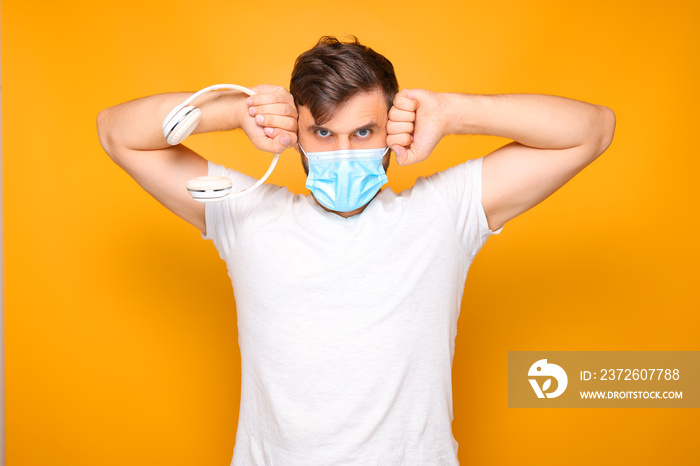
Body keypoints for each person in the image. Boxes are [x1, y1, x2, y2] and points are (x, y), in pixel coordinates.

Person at [97, 36, 615, 465]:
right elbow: (117, 133)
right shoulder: (246, 214)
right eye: (323, 133)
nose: (343, 153)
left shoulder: (443, 214)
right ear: (294, 135)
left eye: (363, 131)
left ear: (392, 129)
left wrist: (453, 113)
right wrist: (234, 111)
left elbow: (592, 131)